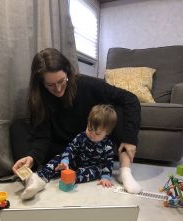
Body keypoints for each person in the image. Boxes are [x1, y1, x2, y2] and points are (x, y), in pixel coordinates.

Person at [10, 48, 142, 195]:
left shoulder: (87, 84)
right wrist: (32, 157)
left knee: (117, 110)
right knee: (18, 127)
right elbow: (42, 135)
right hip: (64, 150)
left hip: (93, 144)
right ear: (41, 83)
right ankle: (31, 179)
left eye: (61, 81)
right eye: (51, 85)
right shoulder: (39, 98)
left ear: (68, 73)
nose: (59, 89)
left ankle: (125, 171)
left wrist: (130, 138)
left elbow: (130, 99)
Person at [21, 104, 117, 200]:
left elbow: (108, 163)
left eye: (97, 133)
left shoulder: (107, 145)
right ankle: (38, 179)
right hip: (75, 163)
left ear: (107, 132)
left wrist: (105, 177)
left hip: (91, 168)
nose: (91, 134)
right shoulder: (81, 137)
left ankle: (72, 178)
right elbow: (71, 149)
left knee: (95, 170)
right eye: (89, 128)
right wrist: (65, 161)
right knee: (59, 158)